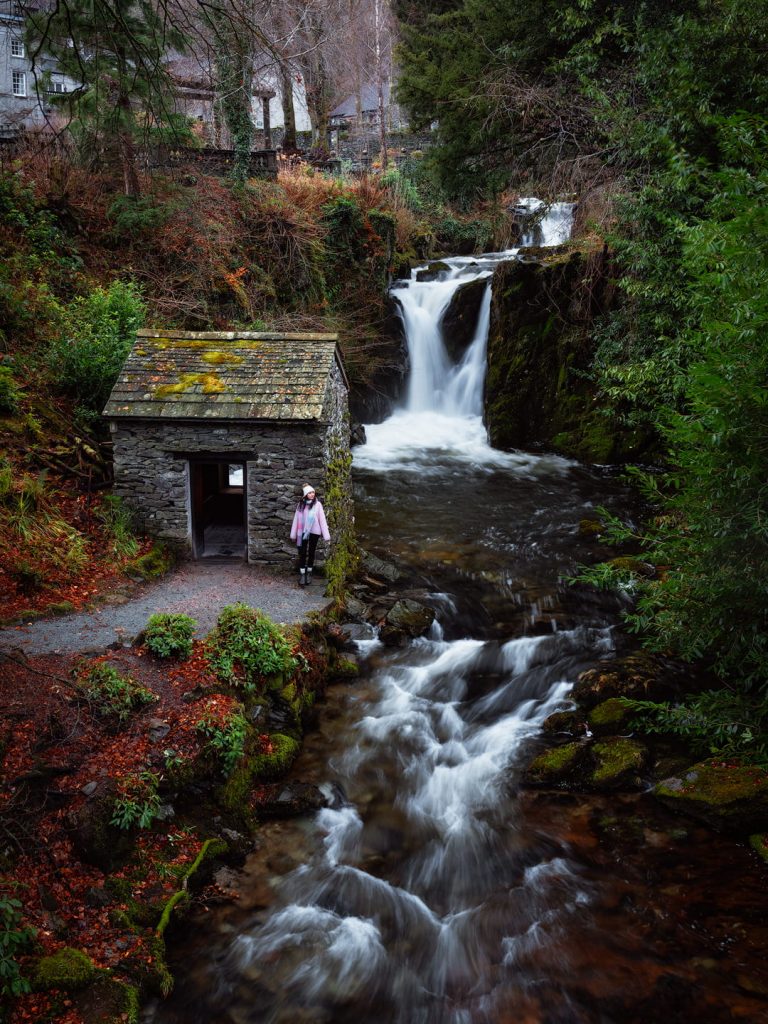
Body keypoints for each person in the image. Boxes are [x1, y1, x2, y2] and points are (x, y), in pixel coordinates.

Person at [290, 484, 330, 586]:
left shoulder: (318, 504)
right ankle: (302, 574)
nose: (312, 494)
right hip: (303, 531)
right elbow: (296, 520)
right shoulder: (301, 505)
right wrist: (293, 534)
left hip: (314, 532)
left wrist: (326, 536)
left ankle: (309, 573)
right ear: (305, 495)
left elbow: (322, 520)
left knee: (312, 552)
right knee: (302, 552)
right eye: (309, 493)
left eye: (313, 492)